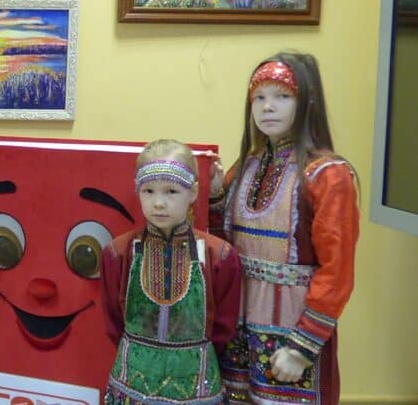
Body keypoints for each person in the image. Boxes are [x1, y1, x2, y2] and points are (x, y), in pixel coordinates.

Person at [209, 52, 359, 404]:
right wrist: (215, 195)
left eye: (282, 96)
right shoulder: (245, 166)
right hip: (238, 328)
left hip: (291, 332)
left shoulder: (328, 176)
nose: (267, 107)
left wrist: (302, 347)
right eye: (259, 97)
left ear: (307, 102)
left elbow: (337, 271)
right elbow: (223, 249)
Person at [100, 139, 242, 403]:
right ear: (137, 190)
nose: (158, 203)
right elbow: (113, 320)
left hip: (197, 387)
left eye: (171, 191)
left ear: (193, 192)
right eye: (148, 191)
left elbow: (224, 328)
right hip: (130, 384)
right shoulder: (118, 253)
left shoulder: (220, 256)